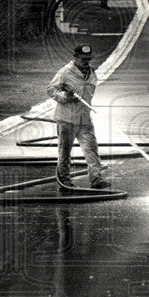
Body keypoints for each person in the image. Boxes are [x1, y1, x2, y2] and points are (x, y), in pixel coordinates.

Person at [47, 44, 109, 191]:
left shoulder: (92, 73)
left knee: (91, 149)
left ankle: (96, 179)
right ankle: (64, 181)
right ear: (75, 58)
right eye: (83, 59)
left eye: (88, 59)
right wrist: (65, 96)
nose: (86, 62)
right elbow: (51, 89)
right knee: (65, 151)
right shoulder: (65, 72)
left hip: (85, 119)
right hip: (67, 119)